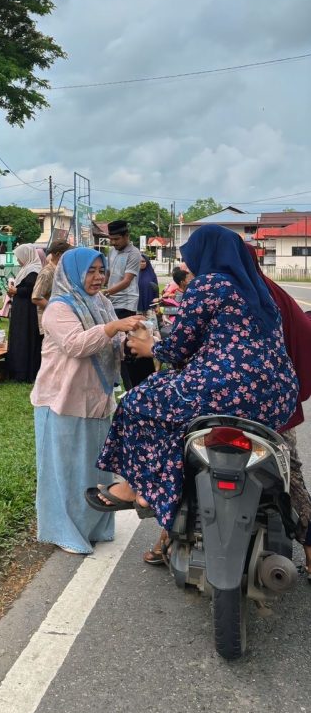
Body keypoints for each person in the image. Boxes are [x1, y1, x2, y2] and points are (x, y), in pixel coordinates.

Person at [87, 226, 299, 531]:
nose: (187, 266)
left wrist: (150, 346)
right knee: (180, 415)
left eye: (190, 258)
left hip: (226, 391)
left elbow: (178, 348)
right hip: (277, 398)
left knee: (137, 400)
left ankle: (138, 486)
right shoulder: (258, 290)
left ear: (207, 254)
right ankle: (163, 488)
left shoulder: (209, 284)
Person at [30, 248, 142, 554]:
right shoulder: (58, 308)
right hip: (63, 399)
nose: (97, 277)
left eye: (100, 270)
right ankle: (65, 530)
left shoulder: (102, 302)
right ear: (73, 273)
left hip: (96, 397)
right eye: (90, 271)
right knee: (65, 470)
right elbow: (75, 345)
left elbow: (111, 343)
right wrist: (113, 328)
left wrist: (132, 339)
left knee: (94, 467)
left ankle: (95, 525)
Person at [246, 244, 311, 578]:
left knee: (185, 461)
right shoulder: (273, 293)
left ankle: (165, 541)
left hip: (228, 406)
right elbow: (303, 331)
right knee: (291, 472)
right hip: (277, 406)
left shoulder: (225, 296)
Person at [103, 220, 152, 388]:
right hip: (111, 302)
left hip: (126, 303)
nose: (114, 243)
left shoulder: (134, 253)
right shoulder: (111, 251)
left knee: (126, 346)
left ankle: (133, 386)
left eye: (117, 239)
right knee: (113, 344)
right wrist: (102, 286)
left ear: (126, 236)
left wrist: (106, 292)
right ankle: (119, 380)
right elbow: (108, 274)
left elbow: (126, 281)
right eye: (111, 239)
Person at [5, 243, 43, 382]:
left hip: (28, 310)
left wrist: (16, 291)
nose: (17, 260)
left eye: (19, 257)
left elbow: (32, 290)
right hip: (21, 308)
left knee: (26, 337)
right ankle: (17, 371)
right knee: (19, 337)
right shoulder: (26, 269)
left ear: (26, 256)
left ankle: (26, 372)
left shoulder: (34, 270)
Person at [32, 239, 72, 333]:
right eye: (68, 254)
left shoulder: (61, 270)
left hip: (62, 321)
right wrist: (57, 310)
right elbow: (36, 297)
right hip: (51, 321)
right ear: (58, 254)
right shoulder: (47, 273)